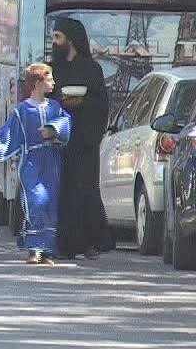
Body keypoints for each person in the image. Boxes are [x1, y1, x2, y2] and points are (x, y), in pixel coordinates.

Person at [0, 63, 71, 265]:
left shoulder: (54, 107)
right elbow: (10, 134)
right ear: (38, 83)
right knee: (35, 202)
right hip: (32, 162)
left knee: (50, 203)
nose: (54, 82)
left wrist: (54, 130)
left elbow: (66, 123)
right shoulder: (23, 110)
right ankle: (33, 247)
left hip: (52, 162)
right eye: (49, 79)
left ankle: (46, 249)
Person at [51, 17, 115, 259]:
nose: (54, 42)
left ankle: (89, 241)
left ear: (71, 40)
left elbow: (101, 104)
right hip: (60, 141)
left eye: (58, 37)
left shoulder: (92, 69)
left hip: (84, 140)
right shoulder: (54, 69)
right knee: (63, 193)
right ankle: (65, 243)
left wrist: (82, 103)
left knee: (85, 191)